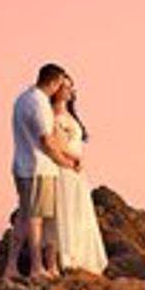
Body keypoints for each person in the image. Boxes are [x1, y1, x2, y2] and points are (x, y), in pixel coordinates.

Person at [8, 63, 80, 282]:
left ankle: (11, 267)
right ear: (55, 81)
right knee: (35, 220)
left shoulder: (23, 98)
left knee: (24, 218)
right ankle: (36, 267)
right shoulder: (39, 104)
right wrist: (66, 163)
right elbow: (47, 141)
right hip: (37, 167)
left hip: (22, 164)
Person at [48, 73, 107, 275]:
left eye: (71, 87)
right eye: (65, 86)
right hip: (65, 167)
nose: (69, 90)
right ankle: (66, 257)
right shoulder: (53, 116)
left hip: (76, 169)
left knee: (78, 211)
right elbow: (57, 143)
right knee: (64, 211)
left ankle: (79, 256)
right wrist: (74, 157)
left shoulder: (70, 115)